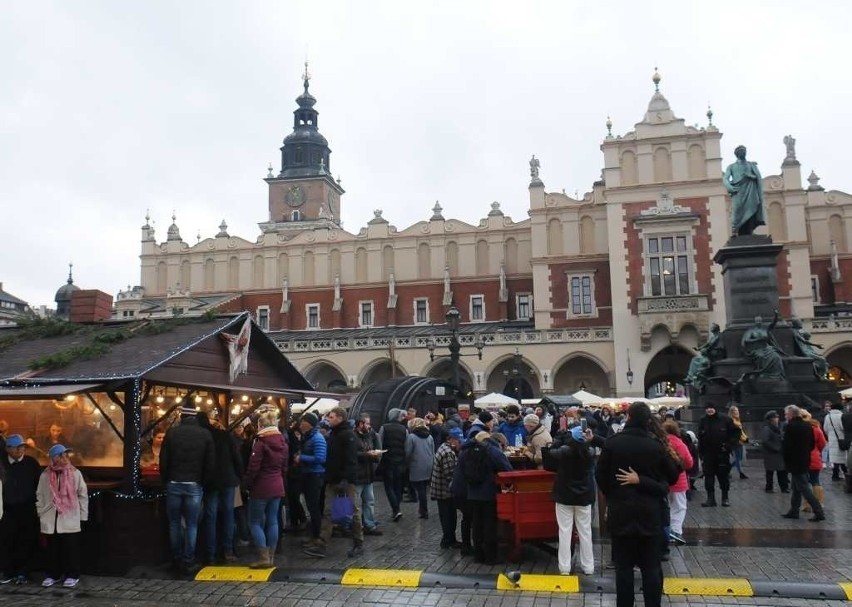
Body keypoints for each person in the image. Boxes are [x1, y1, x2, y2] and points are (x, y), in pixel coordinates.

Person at [596, 402, 680, 607]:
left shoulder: (613, 443)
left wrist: (615, 493)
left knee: (623, 569)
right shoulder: (656, 445)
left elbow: (600, 476)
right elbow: (670, 479)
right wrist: (645, 483)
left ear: (629, 417)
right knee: (651, 567)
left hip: (621, 514)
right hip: (650, 515)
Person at [159, 404, 216, 574]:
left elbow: (163, 460)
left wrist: (166, 480)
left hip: (174, 483)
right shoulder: (205, 435)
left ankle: (176, 558)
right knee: (191, 524)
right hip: (194, 484)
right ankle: (189, 560)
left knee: (174, 523)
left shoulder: (172, 433)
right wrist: (203, 482)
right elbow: (210, 463)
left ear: (182, 417)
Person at [303, 407, 363, 559]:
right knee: (328, 512)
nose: (328, 419)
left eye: (331, 417)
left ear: (340, 418)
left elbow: (351, 460)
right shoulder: (334, 434)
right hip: (332, 479)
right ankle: (321, 544)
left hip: (345, 481)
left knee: (352, 511)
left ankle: (358, 543)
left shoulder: (347, 435)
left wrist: (345, 479)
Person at [451, 430, 512, 565]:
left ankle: (478, 555)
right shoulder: (492, 451)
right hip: (489, 493)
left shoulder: (465, 451)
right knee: (490, 525)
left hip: (471, 493)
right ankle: (491, 557)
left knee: (477, 525)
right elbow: (507, 469)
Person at [35, 444, 88, 589]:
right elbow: (39, 495)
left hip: (69, 517)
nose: (64, 459)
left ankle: (72, 575)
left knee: (71, 549)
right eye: (61, 456)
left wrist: (83, 516)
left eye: (66, 456)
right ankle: (53, 574)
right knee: (52, 549)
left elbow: (82, 495)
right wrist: (41, 512)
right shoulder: (45, 475)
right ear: (53, 458)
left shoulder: (75, 473)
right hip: (50, 517)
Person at [544, 426, 595, 575]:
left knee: (564, 531)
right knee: (585, 532)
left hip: (564, 495)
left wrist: (558, 438)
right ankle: (588, 566)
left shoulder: (564, 451)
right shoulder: (590, 452)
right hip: (584, 496)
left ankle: (564, 567)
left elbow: (549, 453)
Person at [196, 413, 243, 564]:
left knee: (211, 515)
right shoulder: (224, 435)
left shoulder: (202, 436)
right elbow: (236, 457)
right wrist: (239, 476)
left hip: (211, 481)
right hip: (229, 479)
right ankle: (228, 550)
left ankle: (211, 553)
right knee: (228, 513)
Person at [244, 409, 287, 568]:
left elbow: (253, 468)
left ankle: (263, 557)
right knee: (273, 521)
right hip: (277, 485)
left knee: (254, 522)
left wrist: (247, 485)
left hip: (261, 487)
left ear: (260, 425)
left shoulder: (261, 443)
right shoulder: (283, 442)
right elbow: (284, 467)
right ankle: (271, 557)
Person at [0, 434, 40, 585]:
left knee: (26, 541)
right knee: (6, 541)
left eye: (22, 446)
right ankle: (8, 571)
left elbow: (38, 486)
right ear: (8, 448)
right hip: (6, 510)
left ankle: (23, 572)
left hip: (27, 509)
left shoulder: (32, 463)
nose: (20, 449)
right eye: (16, 446)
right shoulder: (2, 464)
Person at [781, 405, 825, 522]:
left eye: (786, 414)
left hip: (795, 461)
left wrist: (786, 460)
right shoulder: (807, 426)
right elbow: (811, 444)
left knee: (804, 488)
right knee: (796, 487)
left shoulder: (790, 426)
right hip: (805, 459)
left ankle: (818, 511)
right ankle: (794, 510)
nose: (785, 416)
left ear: (791, 414)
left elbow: (787, 446)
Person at [294, 412, 326, 549]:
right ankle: (313, 535)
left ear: (309, 423)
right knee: (311, 506)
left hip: (314, 475)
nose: (300, 424)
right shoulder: (308, 437)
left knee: (314, 508)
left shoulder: (317, 438)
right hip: (308, 474)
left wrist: (301, 458)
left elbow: (320, 458)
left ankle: (317, 536)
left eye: (303, 422)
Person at [697, 402, 739, 507]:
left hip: (722, 453)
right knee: (708, 477)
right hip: (708, 454)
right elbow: (700, 437)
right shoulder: (703, 420)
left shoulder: (725, 419)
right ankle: (710, 499)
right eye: (707, 408)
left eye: (711, 408)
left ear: (715, 409)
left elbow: (736, 433)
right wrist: (700, 452)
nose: (709, 410)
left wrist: (729, 445)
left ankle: (725, 498)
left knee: (723, 477)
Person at [430, 427, 463, 549]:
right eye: (458, 441)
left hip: (441, 490)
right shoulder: (448, 453)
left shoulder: (444, 448)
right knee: (448, 517)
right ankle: (448, 540)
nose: (460, 443)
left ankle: (449, 539)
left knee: (447, 516)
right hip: (445, 491)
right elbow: (450, 474)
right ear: (451, 440)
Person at [723, 144, 766, 236]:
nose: (743, 152)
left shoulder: (751, 165)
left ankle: (749, 231)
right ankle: (734, 230)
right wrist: (729, 187)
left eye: (744, 151)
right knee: (737, 210)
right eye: (741, 151)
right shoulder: (731, 166)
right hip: (738, 191)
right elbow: (725, 178)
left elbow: (757, 177)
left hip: (750, 190)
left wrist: (750, 176)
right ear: (737, 154)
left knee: (751, 209)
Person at [662, 420, 692, 545]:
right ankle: (675, 530)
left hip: (664, 480)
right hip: (679, 480)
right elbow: (689, 462)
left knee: (667, 506)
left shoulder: (661, 443)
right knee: (679, 506)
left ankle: (667, 528)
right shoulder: (680, 444)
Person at [353, 414, 382, 536]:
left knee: (369, 501)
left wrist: (374, 455)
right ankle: (352, 525)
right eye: (367, 423)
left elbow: (370, 448)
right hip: (357, 475)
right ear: (360, 424)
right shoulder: (353, 437)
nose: (369, 426)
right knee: (354, 502)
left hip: (368, 474)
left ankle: (369, 525)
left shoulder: (368, 436)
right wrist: (367, 454)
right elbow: (353, 454)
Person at [377, 408, 407, 522]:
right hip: (400, 461)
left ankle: (396, 509)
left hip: (387, 461)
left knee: (389, 486)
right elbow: (407, 446)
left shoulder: (384, 428)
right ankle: (397, 508)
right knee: (398, 486)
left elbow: (380, 444)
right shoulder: (404, 429)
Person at [405, 418, 435, 519]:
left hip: (416, 464)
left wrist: (406, 463)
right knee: (423, 487)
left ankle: (423, 511)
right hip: (428, 464)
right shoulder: (430, 436)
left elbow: (408, 452)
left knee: (420, 489)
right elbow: (433, 450)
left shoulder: (412, 437)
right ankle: (423, 510)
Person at [800, 411, 827, 514]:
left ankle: (807, 505)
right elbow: (823, 443)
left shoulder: (801, 428)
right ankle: (819, 503)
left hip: (803, 458)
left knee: (805, 483)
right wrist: (817, 451)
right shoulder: (816, 428)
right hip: (815, 458)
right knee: (816, 481)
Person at [760, 411, 788, 493]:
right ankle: (769, 488)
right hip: (771, 454)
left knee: (782, 471)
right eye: (775, 417)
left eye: (777, 417)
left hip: (779, 453)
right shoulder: (767, 428)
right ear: (771, 419)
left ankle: (784, 487)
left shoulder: (779, 427)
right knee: (770, 471)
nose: (777, 419)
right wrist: (776, 448)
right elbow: (765, 441)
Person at [822, 403, 848, 481]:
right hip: (841, 439)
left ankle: (836, 475)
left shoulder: (828, 416)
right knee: (842, 457)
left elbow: (825, 428)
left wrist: (830, 435)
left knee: (835, 458)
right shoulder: (841, 416)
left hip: (832, 439)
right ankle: (844, 474)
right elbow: (843, 427)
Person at [728, 405, 749, 480]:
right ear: (732, 412)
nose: (737, 412)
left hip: (740, 442)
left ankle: (727, 470)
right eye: (735, 411)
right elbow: (731, 433)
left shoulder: (737, 420)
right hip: (735, 442)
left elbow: (741, 432)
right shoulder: (731, 421)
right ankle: (741, 473)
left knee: (738, 458)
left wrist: (745, 438)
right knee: (737, 458)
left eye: (737, 410)